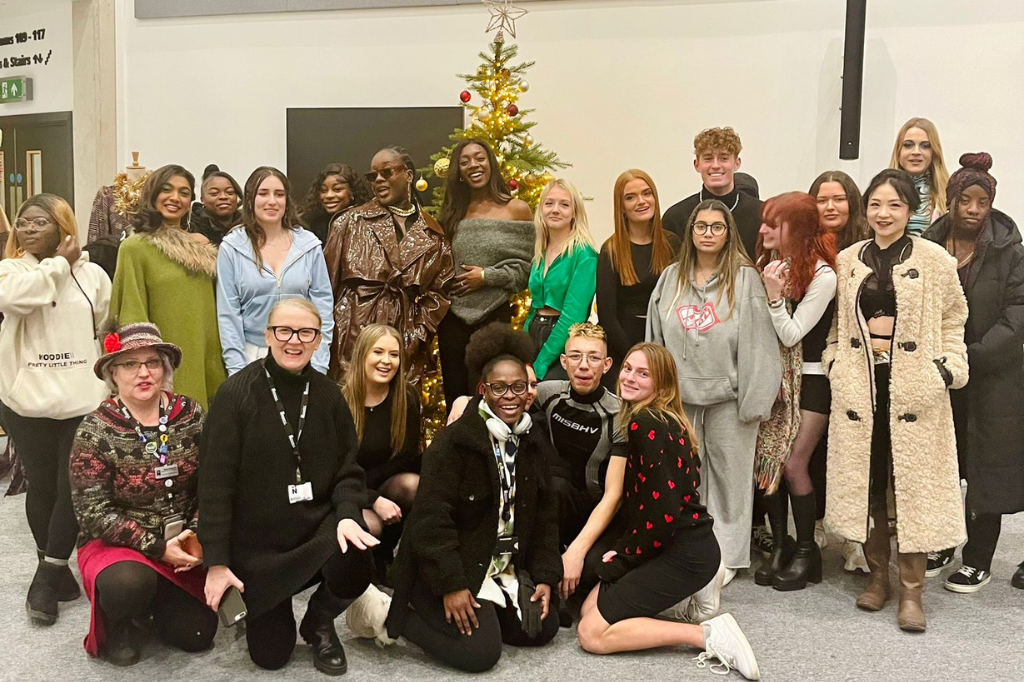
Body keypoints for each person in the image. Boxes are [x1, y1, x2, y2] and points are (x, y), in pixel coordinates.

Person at [362, 324, 561, 672]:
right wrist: (451, 584)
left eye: (519, 387)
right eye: (499, 388)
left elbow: (545, 516)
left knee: (543, 627)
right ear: (483, 390)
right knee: (480, 654)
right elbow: (429, 522)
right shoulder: (452, 444)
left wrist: (544, 575)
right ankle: (388, 611)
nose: (511, 396)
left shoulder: (532, 441)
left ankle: (492, 607)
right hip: (452, 568)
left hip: (500, 565)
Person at [825, 169, 968, 632]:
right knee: (871, 485)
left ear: (911, 211)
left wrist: (944, 370)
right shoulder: (848, 259)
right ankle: (878, 577)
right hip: (862, 391)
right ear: (865, 210)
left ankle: (912, 592)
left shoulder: (934, 260)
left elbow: (954, 320)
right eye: (876, 205)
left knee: (912, 490)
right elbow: (835, 329)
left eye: (894, 206)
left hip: (915, 391)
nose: (883, 214)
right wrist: (834, 364)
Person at [200, 299, 376, 673]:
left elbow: (348, 470)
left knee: (357, 554)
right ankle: (269, 607)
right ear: (268, 335)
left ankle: (319, 621)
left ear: (317, 340)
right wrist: (216, 563)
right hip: (258, 546)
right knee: (270, 657)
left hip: (314, 529)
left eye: (305, 333)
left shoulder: (330, 395)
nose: (293, 341)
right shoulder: (235, 395)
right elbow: (215, 486)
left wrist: (347, 516)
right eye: (284, 330)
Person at [575, 343, 760, 681]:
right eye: (628, 368)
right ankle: (684, 605)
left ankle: (707, 635)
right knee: (589, 608)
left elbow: (662, 513)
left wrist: (626, 557)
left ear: (661, 385)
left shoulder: (645, 424)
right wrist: (627, 547)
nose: (629, 377)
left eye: (643, 374)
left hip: (685, 552)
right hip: (678, 542)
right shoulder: (661, 417)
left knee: (591, 634)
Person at [648, 200, 781, 582]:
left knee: (729, 480)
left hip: (730, 398)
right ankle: (689, 551)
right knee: (686, 479)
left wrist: (753, 400)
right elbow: (655, 340)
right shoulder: (670, 278)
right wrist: (655, 394)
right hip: (679, 398)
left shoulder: (745, 279)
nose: (708, 233)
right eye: (701, 226)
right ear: (690, 232)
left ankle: (726, 557)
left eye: (717, 227)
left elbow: (759, 344)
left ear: (728, 233)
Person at [70, 323, 216, 665]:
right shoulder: (96, 429)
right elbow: (92, 512)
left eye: (152, 362)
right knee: (127, 585)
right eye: (130, 364)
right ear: (112, 374)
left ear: (165, 368)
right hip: (118, 546)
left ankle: (157, 602)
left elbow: (212, 483)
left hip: (183, 540)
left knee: (198, 635)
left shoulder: (191, 415)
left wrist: (195, 532)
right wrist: (157, 548)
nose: (143, 372)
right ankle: (121, 621)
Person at [0, 194, 111, 625]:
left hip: (82, 397)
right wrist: (59, 265)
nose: (27, 229)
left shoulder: (95, 274)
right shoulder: (11, 270)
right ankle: (58, 567)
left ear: (63, 226)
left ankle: (47, 575)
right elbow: (19, 299)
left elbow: (104, 325)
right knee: (42, 485)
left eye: (39, 222)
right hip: (25, 399)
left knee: (72, 488)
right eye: (23, 223)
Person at [923, 153, 1024, 592]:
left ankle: (978, 558)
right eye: (966, 200)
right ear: (951, 200)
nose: (974, 210)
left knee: (985, 467)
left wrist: (974, 355)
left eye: (982, 201)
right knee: (944, 462)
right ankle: (943, 541)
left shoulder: (1009, 249)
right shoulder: (928, 245)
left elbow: (1018, 312)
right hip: (940, 375)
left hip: (993, 374)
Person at [753, 192, 837, 591]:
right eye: (764, 221)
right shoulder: (768, 265)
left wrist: (772, 297)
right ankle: (779, 547)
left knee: (793, 465)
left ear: (797, 229)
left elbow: (791, 332)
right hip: (774, 380)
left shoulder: (823, 275)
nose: (764, 229)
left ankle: (807, 551)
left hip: (813, 379)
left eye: (774, 223)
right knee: (769, 464)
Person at [324, 146, 455, 382]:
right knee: (350, 410)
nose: (379, 180)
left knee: (399, 411)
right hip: (353, 336)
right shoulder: (349, 222)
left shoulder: (433, 233)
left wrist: (416, 335)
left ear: (409, 175)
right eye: (373, 176)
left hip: (403, 340)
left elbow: (438, 293)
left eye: (387, 172)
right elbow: (325, 287)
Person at [110, 164, 225, 409]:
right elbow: (132, 312)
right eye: (167, 190)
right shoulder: (136, 247)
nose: (175, 198)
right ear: (152, 195)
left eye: (184, 192)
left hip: (207, 357)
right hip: (165, 364)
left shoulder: (202, 248)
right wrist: (146, 367)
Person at [531, 324, 625, 602]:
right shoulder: (549, 393)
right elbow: (504, 395)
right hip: (554, 502)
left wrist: (577, 551)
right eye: (575, 356)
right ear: (563, 361)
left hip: (598, 512)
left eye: (594, 357)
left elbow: (614, 495)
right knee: (555, 484)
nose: (584, 366)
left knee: (588, 576)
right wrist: (465, 400)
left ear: (607, 365)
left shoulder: (619, 413)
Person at [437, 138, 534, 407]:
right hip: (452, 321)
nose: (473, 165)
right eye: (464, 161)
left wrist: (485, 277)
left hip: (493, 318)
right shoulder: (451, 213)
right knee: (456, 399)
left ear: (491, 163)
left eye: (479, 158)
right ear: (458, 171)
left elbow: (525, 271)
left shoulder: (517, 210)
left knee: (491, 398)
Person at [806, 170, 870, 573]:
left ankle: (854, 538)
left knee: (853, 452)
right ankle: (813, 527)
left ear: (853, 203)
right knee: (811, 450)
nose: (830, 207)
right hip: (812, 360)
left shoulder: (866, 248)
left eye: (839, 198)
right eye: (822, 199)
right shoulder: (805, 245)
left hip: (856, 362)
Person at [216, 166, 334, 376]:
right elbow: (228, 315)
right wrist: (237, 370)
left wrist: (319, 363)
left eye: (279, 194)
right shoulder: (232, 248)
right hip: (253, 355)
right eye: (263, 193)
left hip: (302, 354)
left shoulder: (309, 245)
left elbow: (323, 308)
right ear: (250, 199)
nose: (272, 201)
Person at [597, 170, 681, 381]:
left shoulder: (673, 244)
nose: (641, 201)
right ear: (622, 207)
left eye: (647, 193)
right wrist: (636, 358)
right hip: (625, 348)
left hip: (668, 343)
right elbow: (608, 317)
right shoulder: (611, 250)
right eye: (630, 197)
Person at [340, 324, 421, 538]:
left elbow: (407, 457)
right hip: (346, 490)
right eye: (378, 352)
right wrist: (371, 499)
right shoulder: (339, 401)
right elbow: (333, 468)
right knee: (371, 525)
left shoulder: (407, 399)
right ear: (362, 355)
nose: (386, 361)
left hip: (386, 485)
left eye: (394, 355)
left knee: (413, 485)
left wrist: (378, 496)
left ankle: (406, 558)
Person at [526, 179, 598, 380]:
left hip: (564, 341)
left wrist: (539, 364)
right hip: (534, 333)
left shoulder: (584, 255)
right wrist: (521, 354)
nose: (555, 210)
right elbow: (534, 307)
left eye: (564, 205)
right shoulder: (540, 251)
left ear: (575, 212)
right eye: (549, 204)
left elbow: (572, 316)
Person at [662, 127, 762, 258]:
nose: (715, 165)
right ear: (697, 165)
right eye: (708, 158)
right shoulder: (675, 218)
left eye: (724, 158)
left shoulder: (761, 215)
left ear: (737, 163)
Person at [889, 117, 949, 236]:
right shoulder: (882, 190)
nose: (916, 152)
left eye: (925, 146)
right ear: (898, 151)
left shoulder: (948, 193)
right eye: (908, 145)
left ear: (934, 152)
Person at [300, 163, 373, 246]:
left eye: (337, 189)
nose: (329, 195)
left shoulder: (366, 224)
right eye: (323, 190)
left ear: (352, 192)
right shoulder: (309, 225)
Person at [810, 170, 869, 252]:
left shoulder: (867, 245)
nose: (830, 207)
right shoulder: (803, 245)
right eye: (822, 201)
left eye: (839, 199)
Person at [188, 164, 242, 246]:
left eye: (230, 192)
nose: (223, 197)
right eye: (214, 193)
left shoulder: (251, 227)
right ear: (202, 200)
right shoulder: (190, 227)